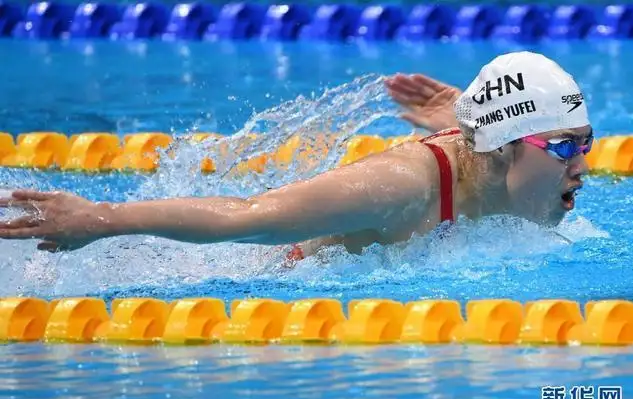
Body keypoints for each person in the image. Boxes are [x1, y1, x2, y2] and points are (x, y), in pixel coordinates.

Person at [0, 51, 592, 261]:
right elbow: (245, 216)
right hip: (275, 267)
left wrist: (460, 114)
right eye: (565, 146)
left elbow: (481, 135)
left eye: (586, 142)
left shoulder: (494, 161)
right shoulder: (398, 188)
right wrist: (98, 221)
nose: (582, 166)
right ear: (502, 147)